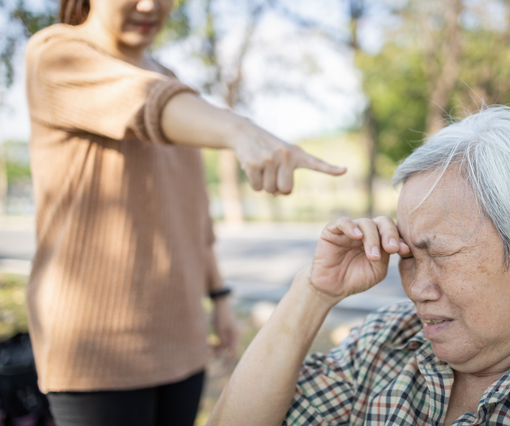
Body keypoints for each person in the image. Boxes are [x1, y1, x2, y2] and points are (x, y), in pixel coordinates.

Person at [209, 106, 510, 425]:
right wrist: (315, 291)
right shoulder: (387, 344)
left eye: (443, 253)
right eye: (410, 257)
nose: (416, 289)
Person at [24, 0, 345, 425]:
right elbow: (148, 102)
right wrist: (238, 130)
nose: (149, 5)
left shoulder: (172, 80)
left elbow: (190, 211)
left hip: (182, 340)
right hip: (96, 349)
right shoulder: (55, 53)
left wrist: (219, 296)